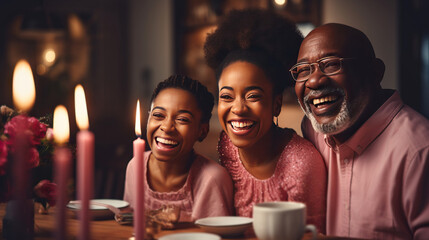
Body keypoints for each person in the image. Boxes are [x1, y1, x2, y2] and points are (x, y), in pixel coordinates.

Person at [291, 23, 429, 239]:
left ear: (375, 73)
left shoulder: (419, 150)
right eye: (303, 70)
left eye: (331, 64)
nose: (314, 80)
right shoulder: (312, 130)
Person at [204, 9, 327, 232]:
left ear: (276, 104)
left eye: (253, 96)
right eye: (226, 97)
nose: (238, 109)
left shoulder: (302, 163)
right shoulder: (227, 146)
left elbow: (312, 234)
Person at [123, 74, 234, 222]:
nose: (167, 127)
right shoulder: (135, 166)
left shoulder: (211, 179)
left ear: (202, 131)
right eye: (158, 115)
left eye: (182, 119)